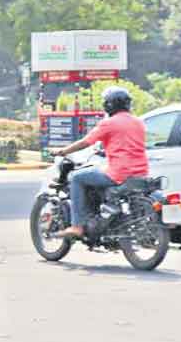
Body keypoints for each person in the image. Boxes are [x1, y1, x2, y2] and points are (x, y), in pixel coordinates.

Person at [54, 86, 149, 237]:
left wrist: (64, 151)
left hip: (119, 173)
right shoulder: (138, 122)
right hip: (140, 172)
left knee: (76, 178)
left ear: (109, 104)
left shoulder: (109, 123)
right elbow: (126, 143)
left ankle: (77, 226)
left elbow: (86, 142)